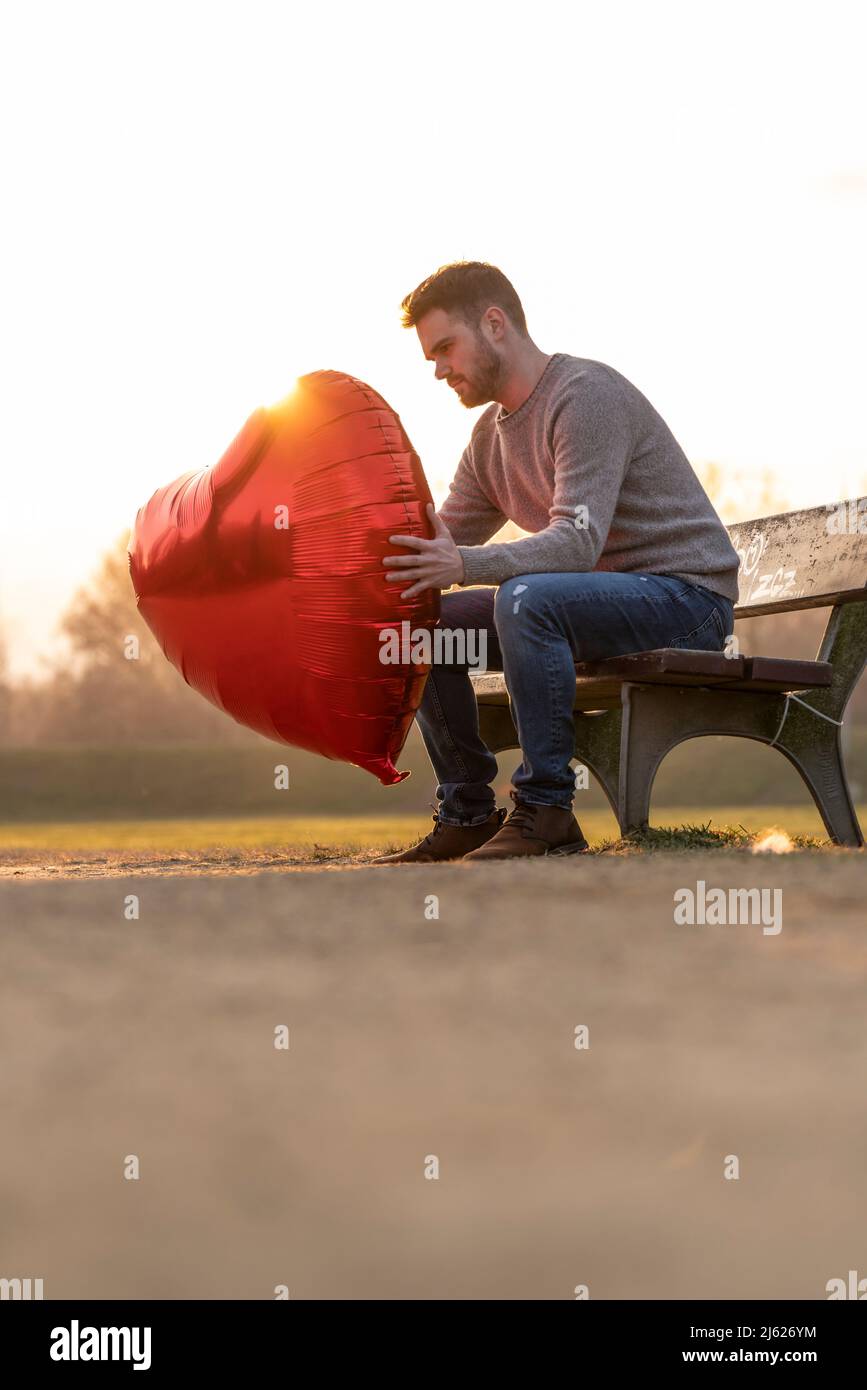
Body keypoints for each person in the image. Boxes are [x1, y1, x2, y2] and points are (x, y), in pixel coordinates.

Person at [373, 261, 739, 863]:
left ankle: (547, 811)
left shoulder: (584, 396)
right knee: (419, 628)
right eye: (431, 357)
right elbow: (432, 544)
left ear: (494, 324)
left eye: (445, 348)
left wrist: (461, 563)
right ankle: (467, 810)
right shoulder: (489, 439)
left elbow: (575, 544)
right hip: (591, 610)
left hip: (686, 602)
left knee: (527, 596)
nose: (438, 371)